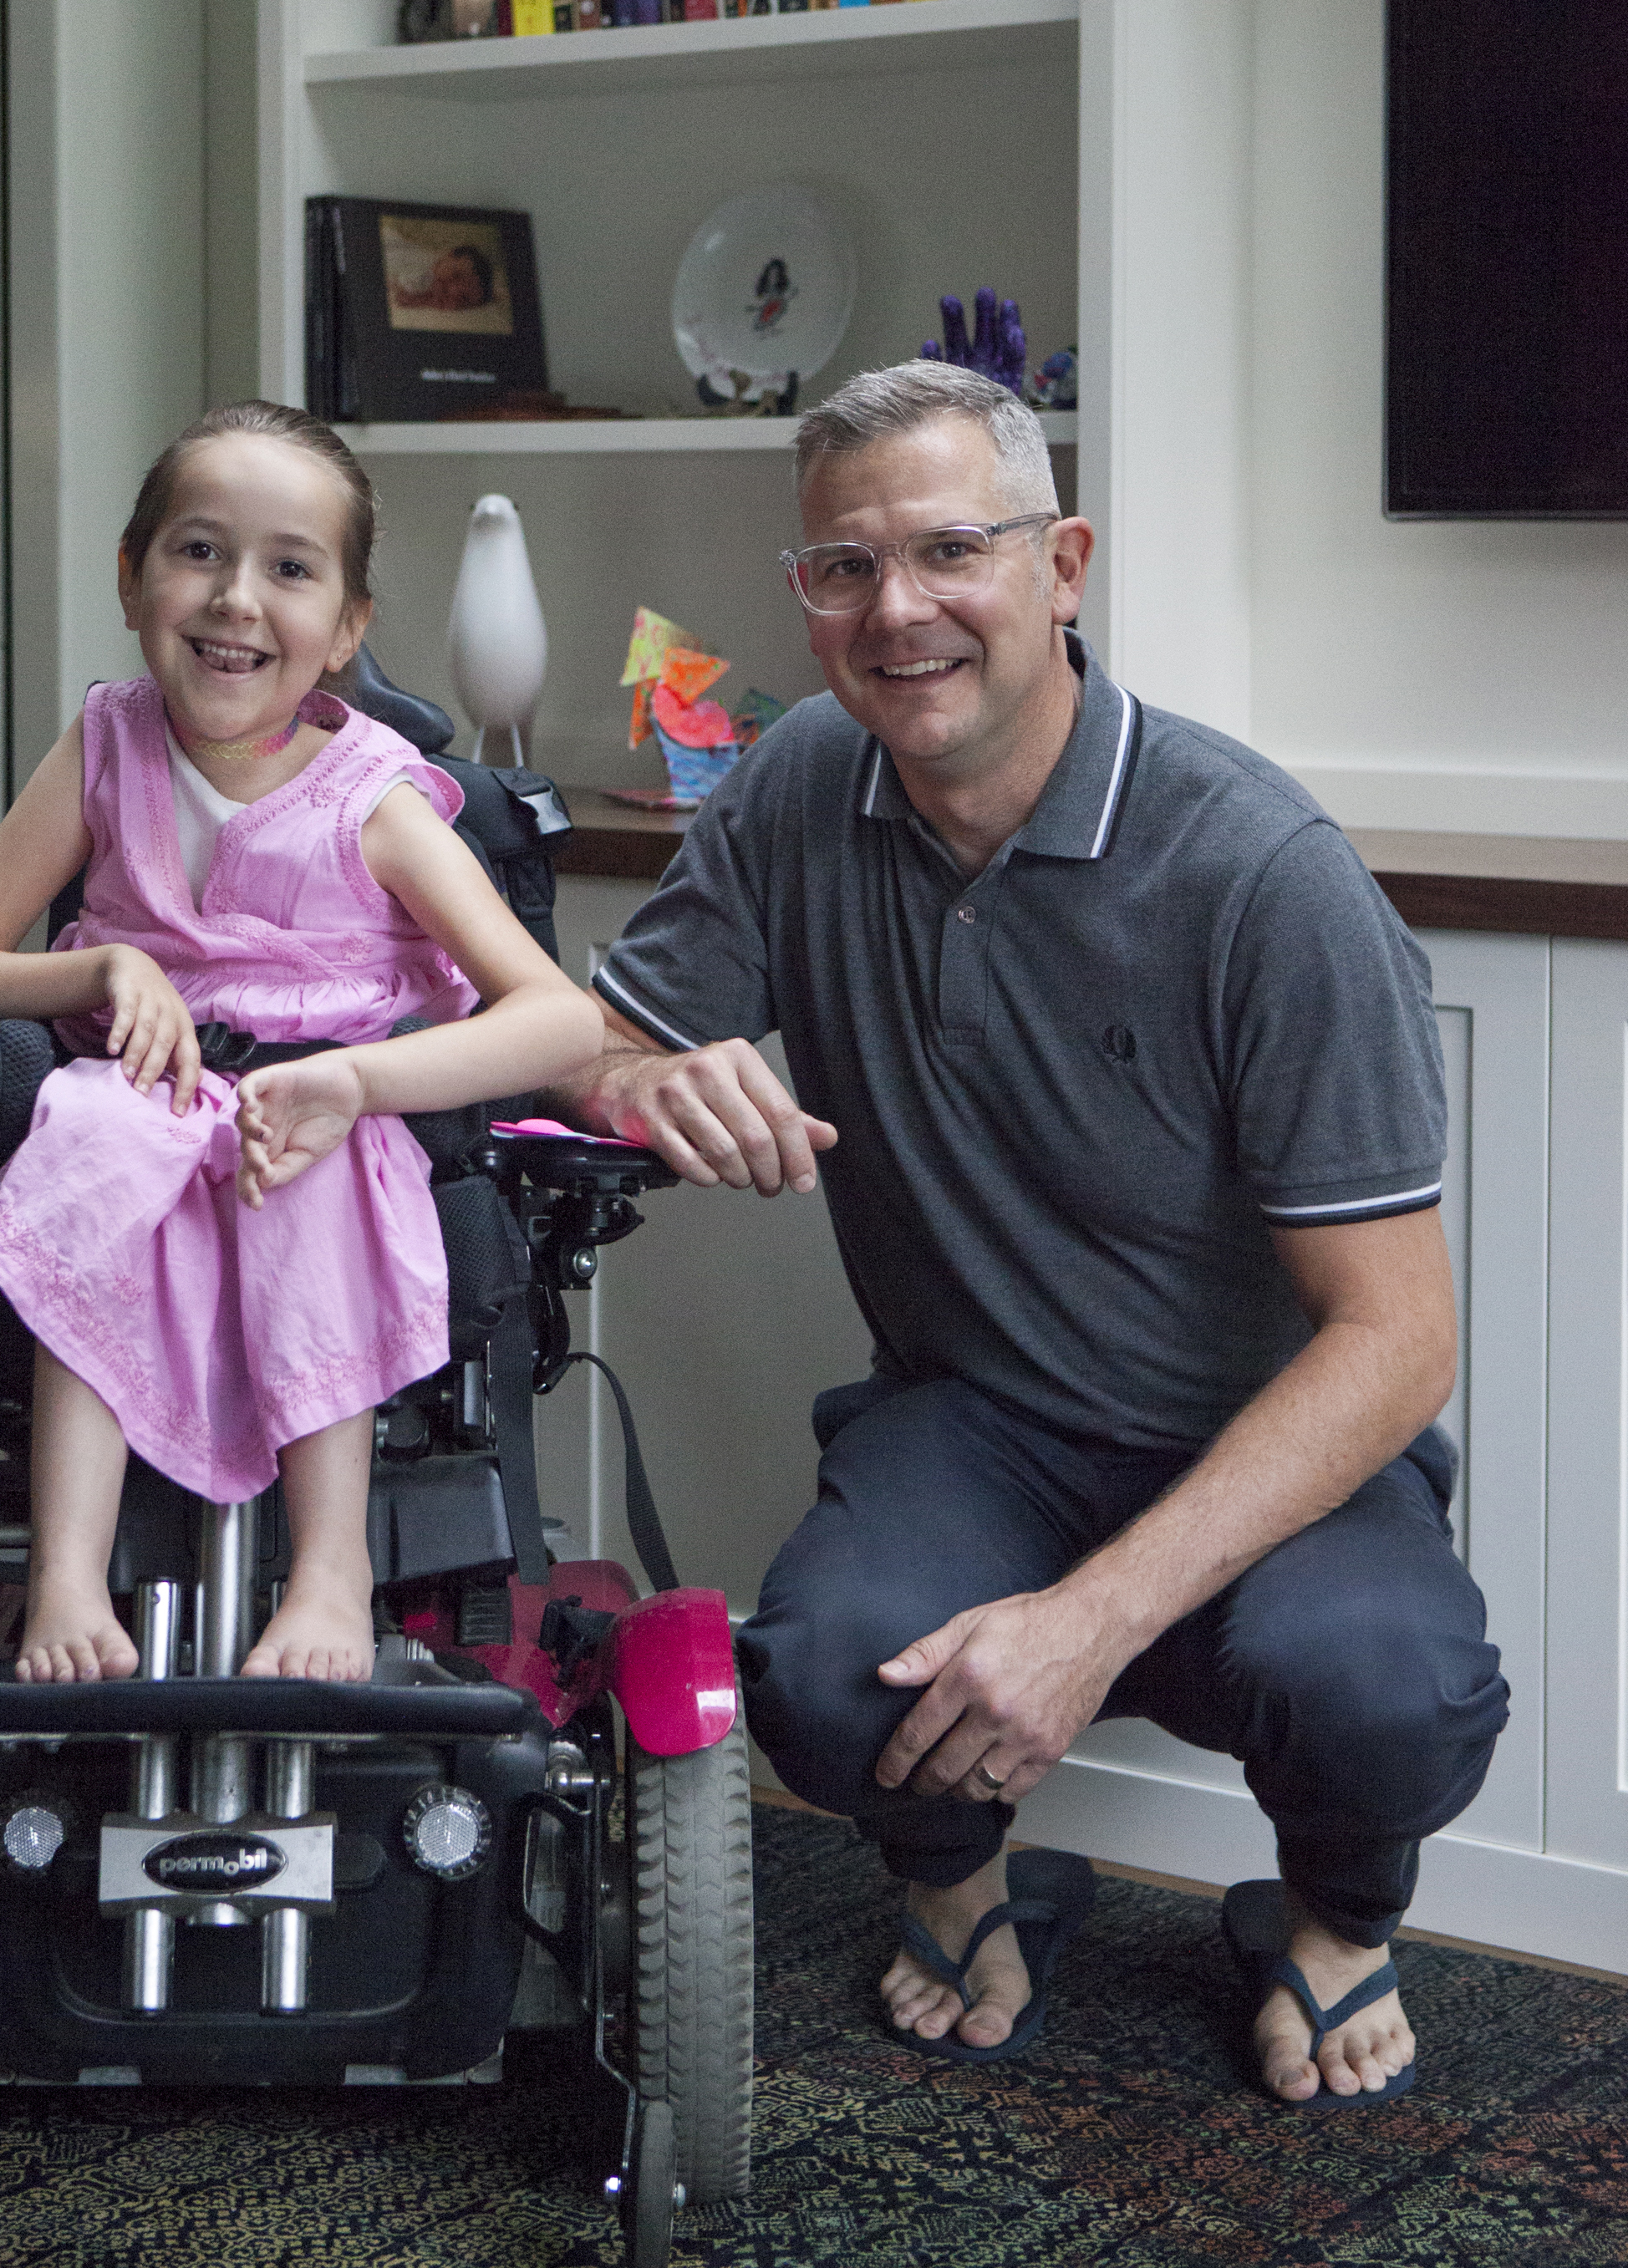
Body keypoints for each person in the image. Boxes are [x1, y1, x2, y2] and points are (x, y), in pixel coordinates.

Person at [565, 359, 1507, 2111]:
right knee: (823, 1672)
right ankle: (971, 1886)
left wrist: (1085, 1622)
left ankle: (1328, 1916)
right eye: (841, 568)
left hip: (1260, 1432)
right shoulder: (791, 794)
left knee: (1388, 1690)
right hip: (979, 1420)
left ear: (1063, 563)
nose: (894, 610)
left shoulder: (1263, 872)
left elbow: (1399, 1338)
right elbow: (596, 1041)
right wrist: (638, 1086)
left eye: (949, 551)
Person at [0, 400, 602, 1688]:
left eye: (289, 568)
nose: (235, 600)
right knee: (90, 1138)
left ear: (344, 629)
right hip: (144, 1094)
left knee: (306, 1167)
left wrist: (356, 1080)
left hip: (323, 1106)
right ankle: (66, 1573)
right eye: (198, 552)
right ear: (132, 576)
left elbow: (559, 1018)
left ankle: (335, 1568)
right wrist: (103, 964)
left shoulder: (374, 804)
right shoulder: (105, 750)